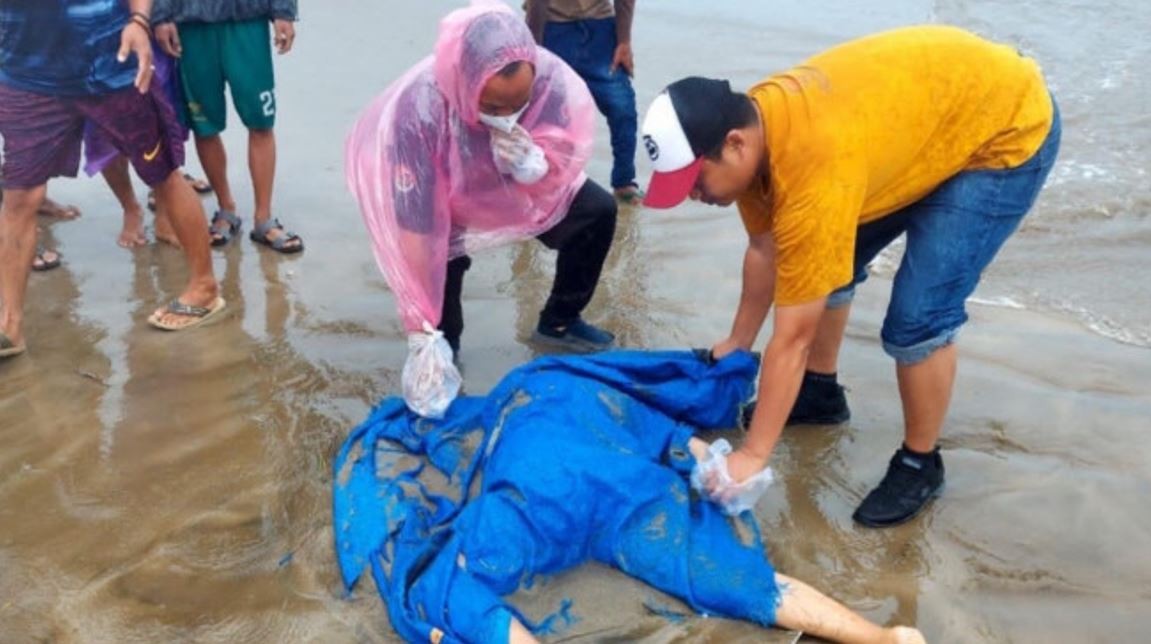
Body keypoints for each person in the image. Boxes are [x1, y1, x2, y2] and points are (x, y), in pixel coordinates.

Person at [638, 26, 1060, 527]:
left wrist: (752, 455)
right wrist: (739, 339)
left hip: (1001, 130)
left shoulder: (811, 169)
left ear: (733, 145)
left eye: (694, 181)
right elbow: (766, 248)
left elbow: (791, 338)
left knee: (917, 318)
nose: (693, 195)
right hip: (923, 123)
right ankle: (821, 393)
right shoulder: (753, 135)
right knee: (822, 261)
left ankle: (920, 463)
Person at [336, 349, 927, 644]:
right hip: (623, 493)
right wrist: (725, 469)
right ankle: (881, 638)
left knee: (457, 584)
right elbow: (682, 444)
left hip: (531, 494)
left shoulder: (521, 391)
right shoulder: (601, 395)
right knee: (734, 582)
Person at [346, 0, 619, 363]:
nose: (507, 116)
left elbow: (564, 153)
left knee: (598, 212)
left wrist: (536, 165)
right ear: (464, 79)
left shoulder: (547, 81)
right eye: (492, 108)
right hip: (449, 197)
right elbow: (416, 227)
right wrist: (421, 328)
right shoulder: (418, 112)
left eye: (518, 104)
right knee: (440, 267)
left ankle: (559, 323)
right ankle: (443, 348)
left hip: (515, 184)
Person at [0, 0, 224, 359]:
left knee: (163, 174)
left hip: (112, 65)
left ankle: (204, 286)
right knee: (20, 197)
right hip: (27, 77)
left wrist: (138, 20)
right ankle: (9, 326)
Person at [152, 0, 303, 253]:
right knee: (205, 126)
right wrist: (161, 16)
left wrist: (283, 11)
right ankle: (226, 209)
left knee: (261, 122)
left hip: (248, 20)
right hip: (191, 22)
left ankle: (264, 218)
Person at [526, 0, 643, 205]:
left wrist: (624, 41)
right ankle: (549, 187)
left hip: (601, 27)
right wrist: (534, 48)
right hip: (553, 26)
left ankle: (624, 183)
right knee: (550, 114)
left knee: (622, 107)